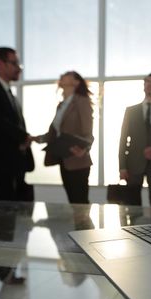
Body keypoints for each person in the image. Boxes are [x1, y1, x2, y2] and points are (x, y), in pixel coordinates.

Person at [0, 47, 35, 202]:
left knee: (21, 213)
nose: (19, 68)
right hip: (2, 162)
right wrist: (23, 137)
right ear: (1, 64)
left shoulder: (11, 95)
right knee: (5, 211)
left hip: (18, 161)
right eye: (15, 63)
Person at [36, 71, 94, 204]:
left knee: (80, 203)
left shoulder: (82, 101)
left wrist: (85, 149)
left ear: (76, 82)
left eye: (68, 74)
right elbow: (53, 133)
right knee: (73, 202)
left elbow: (88, 131)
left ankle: (86, 225)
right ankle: (80, 225)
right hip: (64, 159)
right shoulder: (61, 106)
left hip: (78, 160)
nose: (62, 75)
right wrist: (34, 139)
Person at [118, 73, 151, 206]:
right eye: (146, 81)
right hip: (133, 164)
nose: (148, 84)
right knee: (132, 207)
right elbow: (123, 139)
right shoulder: (130, 111)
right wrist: (122, 167)